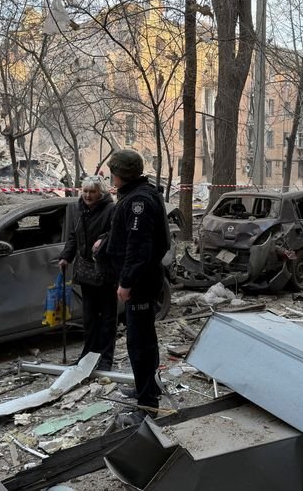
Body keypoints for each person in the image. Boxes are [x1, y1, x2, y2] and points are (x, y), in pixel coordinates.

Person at [102, 149, 170, 423]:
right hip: (143, 278)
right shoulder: (137, 194)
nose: (111, 175)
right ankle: (147, 387)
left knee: (139, 343)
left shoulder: (138, 200)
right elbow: (128, 234)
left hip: (140, 282)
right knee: (142, 339)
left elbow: (139, 246)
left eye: (113, 171)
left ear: (121, 173)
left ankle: (147, 403)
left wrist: (127, 281)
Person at [58, 176, 116, 371]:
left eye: (92, 191)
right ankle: (88, 355)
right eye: (85, 191)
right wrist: (66, 256)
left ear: (101, 193)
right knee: (89, 317)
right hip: (85, 270)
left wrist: (104, 240)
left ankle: (106, 358)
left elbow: (116, 234)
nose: (88, 195)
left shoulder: (110, 209)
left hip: (105, 270)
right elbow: (74, 236)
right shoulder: (78, 209)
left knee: (107, 316)